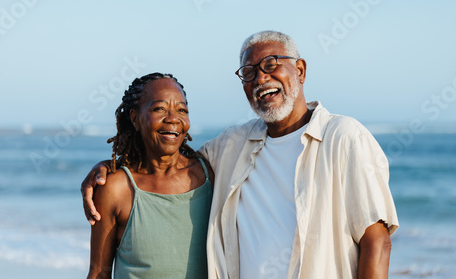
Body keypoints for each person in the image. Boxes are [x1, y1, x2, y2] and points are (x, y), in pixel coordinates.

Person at [82, 31, 399, 279]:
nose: (261, 78)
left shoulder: (344, 137)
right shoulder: (233, 145)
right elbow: (166, 159)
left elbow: (376, 241)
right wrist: (110, 167)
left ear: (300, 70)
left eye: (272, 65)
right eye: (249, 72)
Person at [86, 72, 213, 279]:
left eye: (182, 110)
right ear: (135, 119)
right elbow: (99, 273)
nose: (173, 118)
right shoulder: (116, 188)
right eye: (159, 109)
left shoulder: (209, 176)